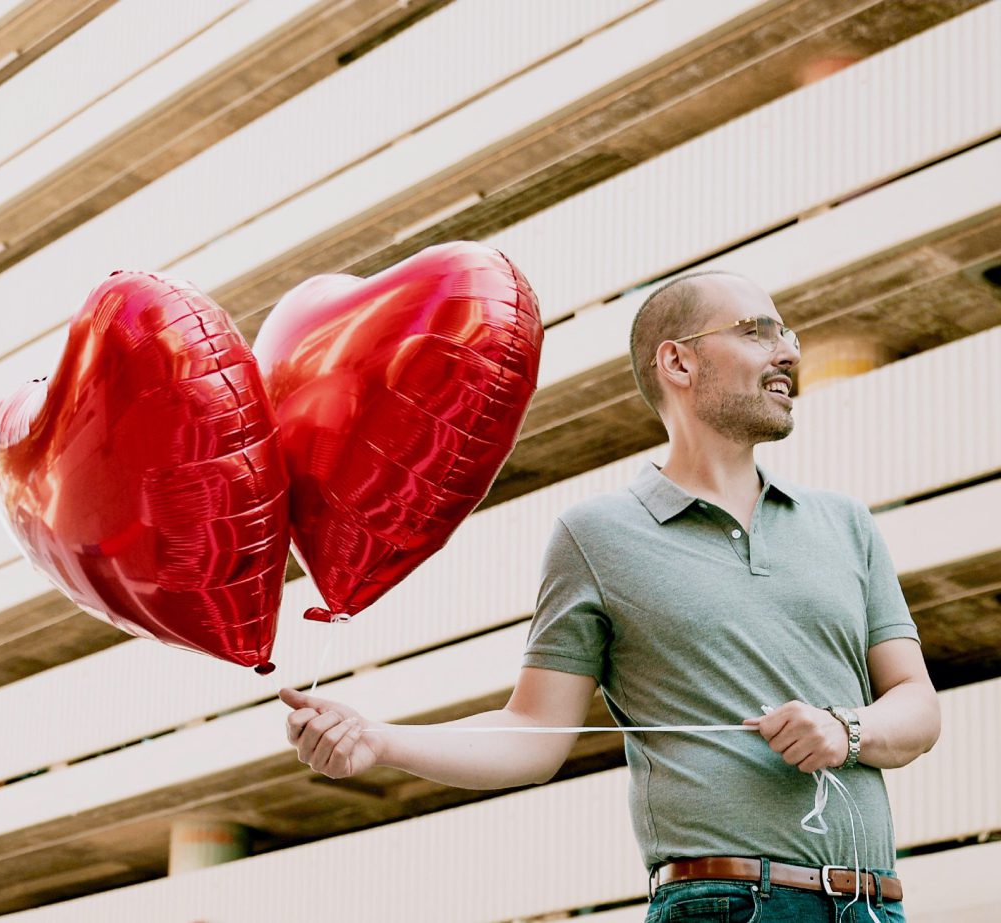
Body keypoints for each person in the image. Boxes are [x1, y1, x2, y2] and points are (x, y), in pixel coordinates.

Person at [280, 270, 940, 922]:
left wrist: (845, 728)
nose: (788, 350)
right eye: (755, 331)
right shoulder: (597, 535)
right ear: (677, 361)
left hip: (875, 903)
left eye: (786, 332)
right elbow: (536, 732)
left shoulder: (845, 521)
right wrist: (379, 739)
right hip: (726, 905)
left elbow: (917, 706)